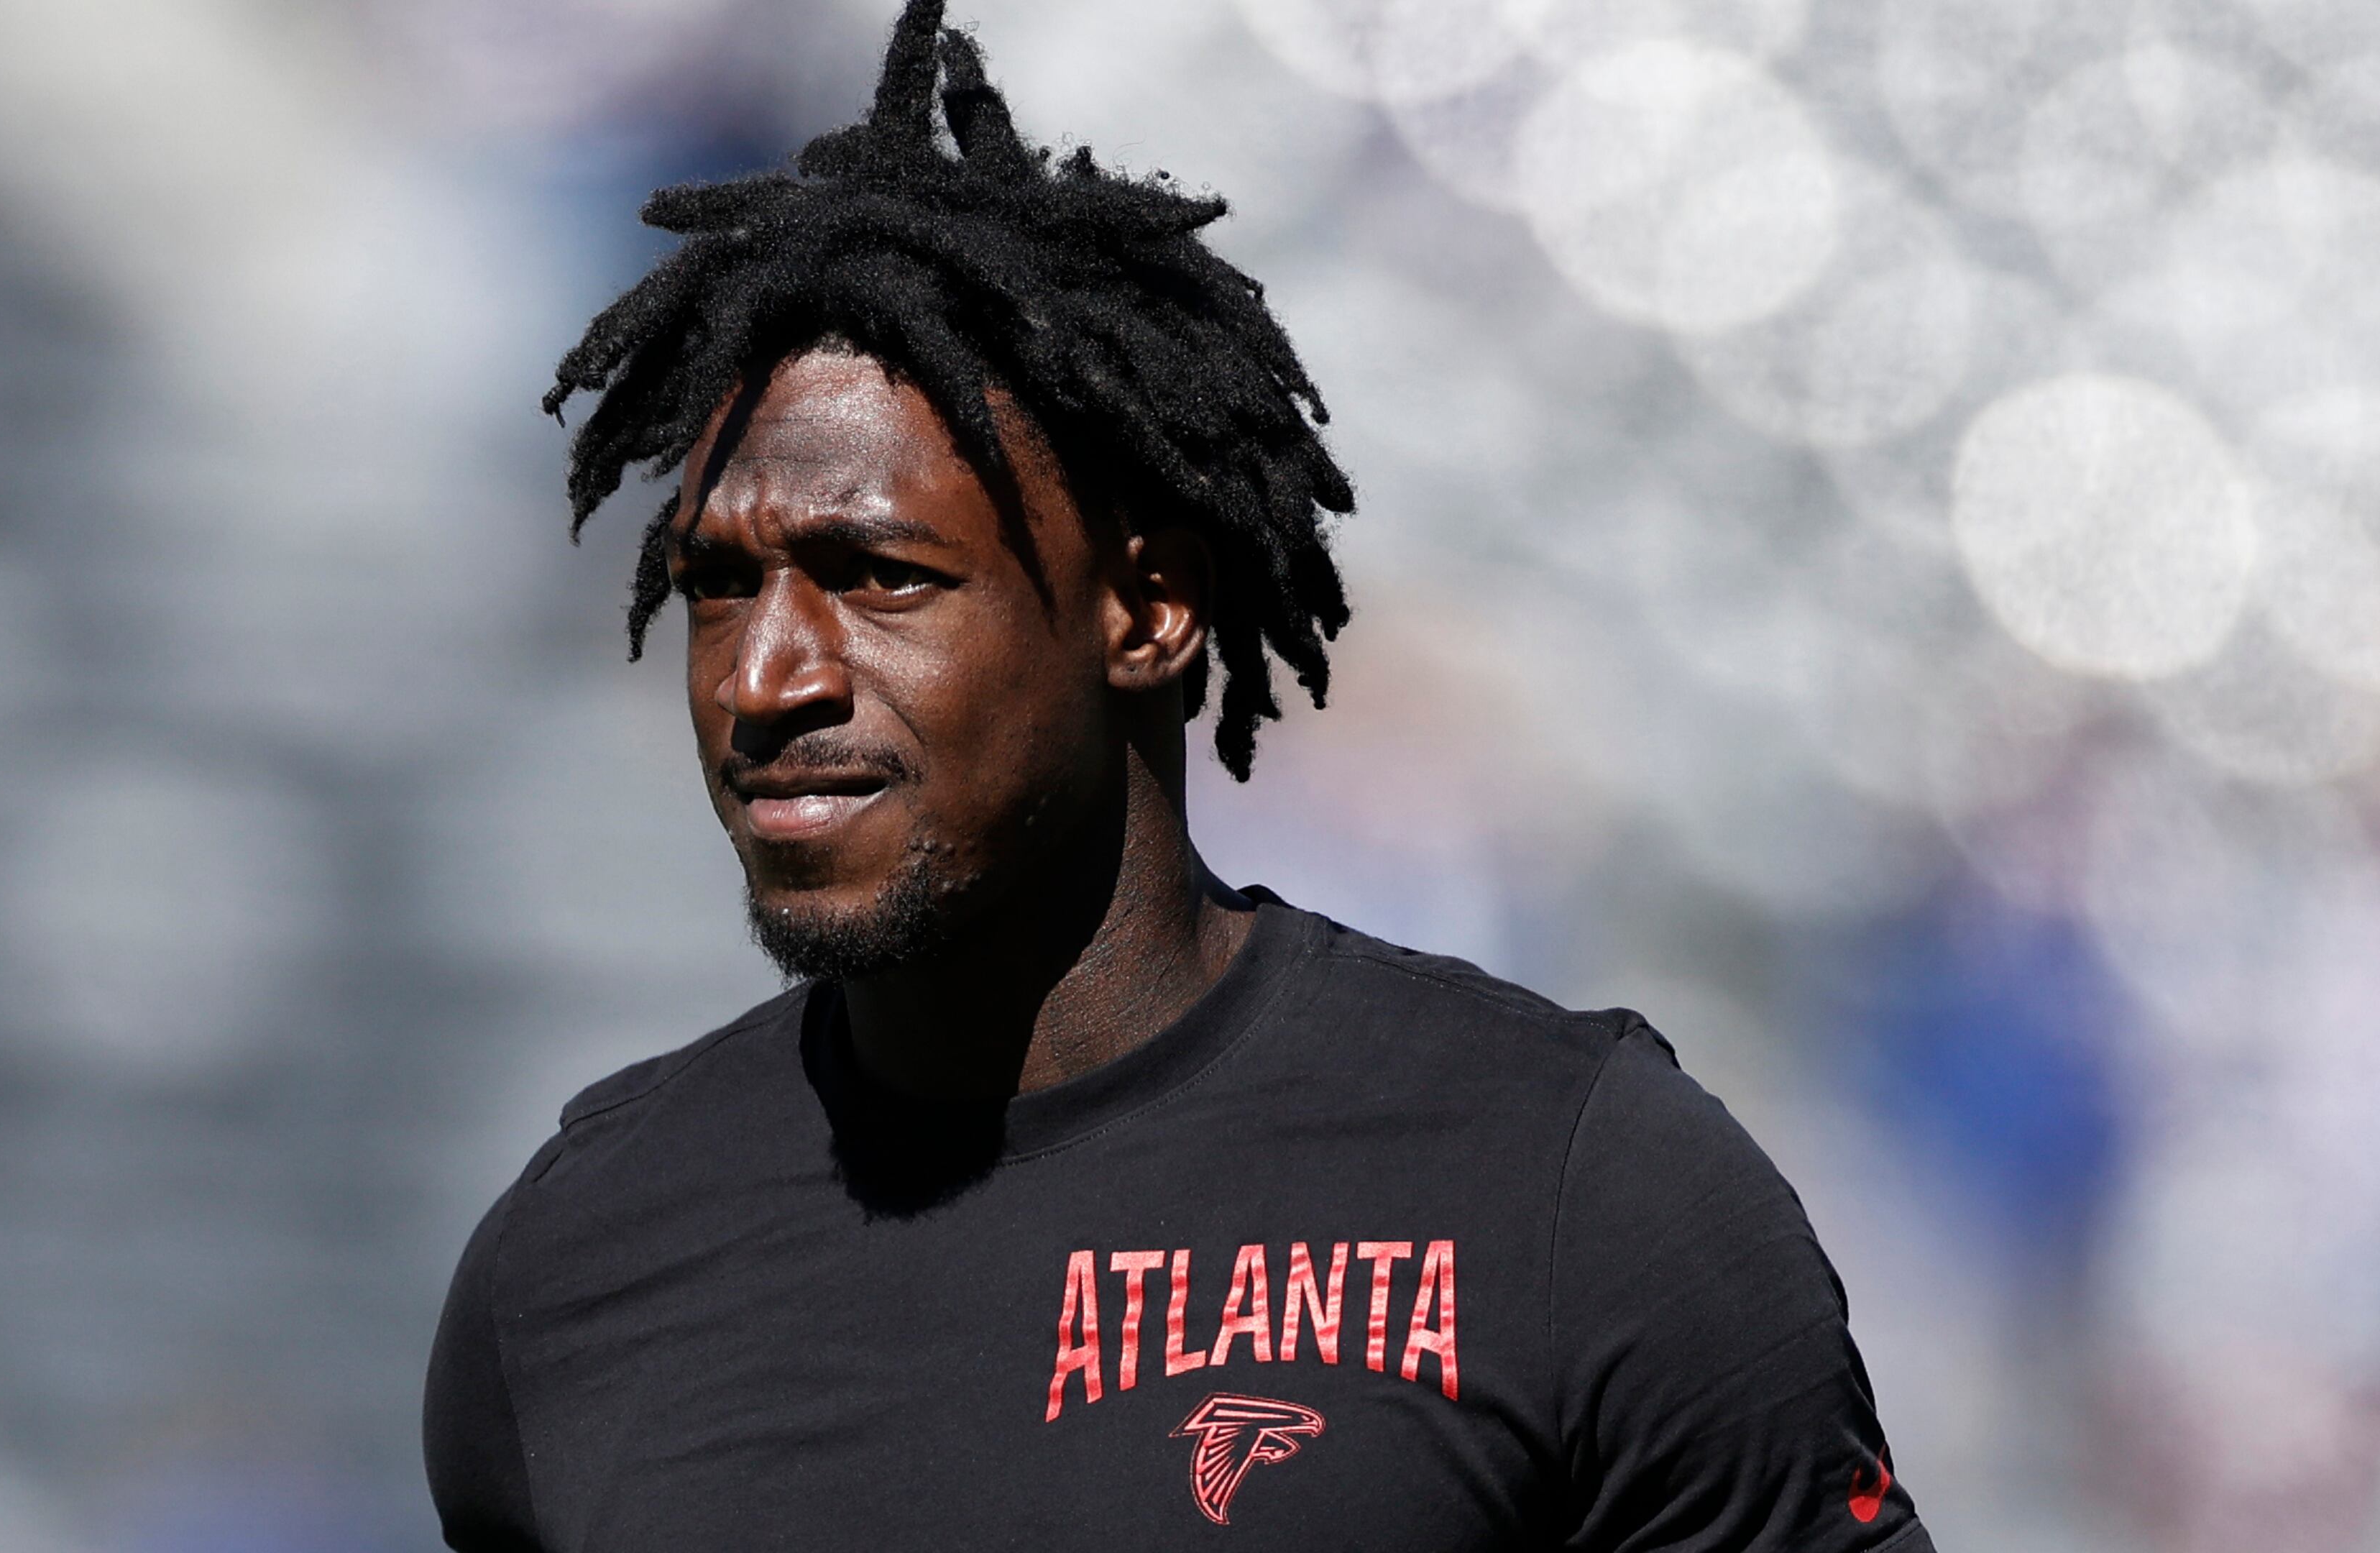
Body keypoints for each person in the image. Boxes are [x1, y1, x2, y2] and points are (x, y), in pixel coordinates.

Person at [423, 4, 1932, 1547]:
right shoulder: (568, 1274)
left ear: (1147, 609)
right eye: (719, 588)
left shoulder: (1576, 1189)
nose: (763, 679)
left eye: (874, 576)